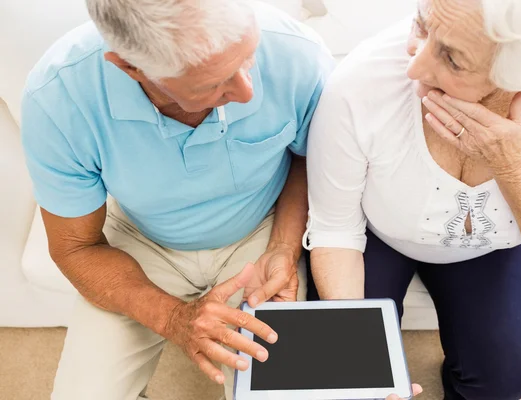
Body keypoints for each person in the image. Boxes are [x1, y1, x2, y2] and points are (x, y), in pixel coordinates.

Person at [20, 0, 334, 399]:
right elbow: (76, 247)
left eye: (249, 57)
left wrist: (285, 248)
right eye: (213, 83)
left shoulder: (298, 53)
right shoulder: (56, 99)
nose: (246, 91)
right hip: (139, 241)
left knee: (282, 392)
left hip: (264, 228)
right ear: (130, 68)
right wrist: (172, 318)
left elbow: (311, 159)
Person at [304, 0, 521, 399]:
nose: (415, 68)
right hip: (374, 237)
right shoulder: (360, 84)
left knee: (510, 372)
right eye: (422, 26)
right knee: (335, 364)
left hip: (497, 244)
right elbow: (334, 229)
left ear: (520, 78)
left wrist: (512, 168)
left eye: (453, 60)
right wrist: (359, 362)